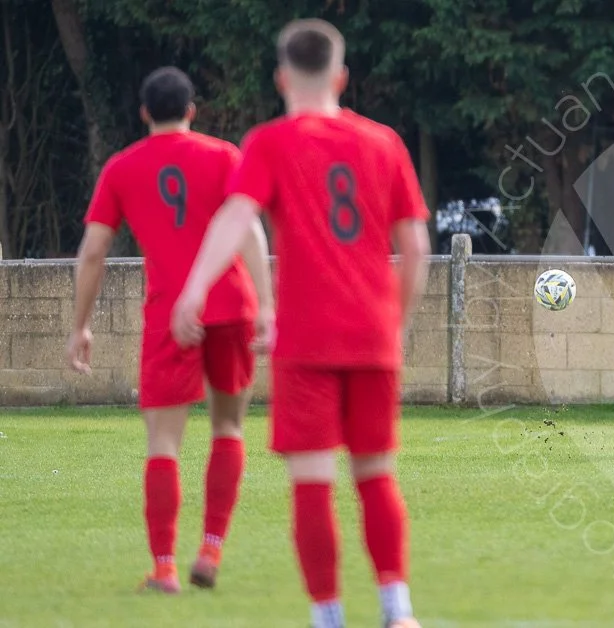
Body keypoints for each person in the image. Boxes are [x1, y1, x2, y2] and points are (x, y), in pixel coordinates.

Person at [169, 19, 429, 628]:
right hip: (371, 334)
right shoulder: (384, 141)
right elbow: (415, 245)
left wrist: (194, 289)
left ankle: (328, 617)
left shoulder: (270, 142)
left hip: (306, 339)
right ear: (340, 76)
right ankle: (398, 609)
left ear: (283, 77)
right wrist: (397, 321)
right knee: (375, 474)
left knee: (312, 482)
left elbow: (235, 218)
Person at [65, 67, 271, 594]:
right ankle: (210, 550)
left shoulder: (121, 168)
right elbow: (248, 229)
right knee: (228, 430)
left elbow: (92, 252)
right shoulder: (225, 156)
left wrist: (81, 325)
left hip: (168, 315)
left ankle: (163, 568)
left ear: (142, 113)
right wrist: (267, 304)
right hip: (231, 306)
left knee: (163, 445)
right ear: (192, 110)